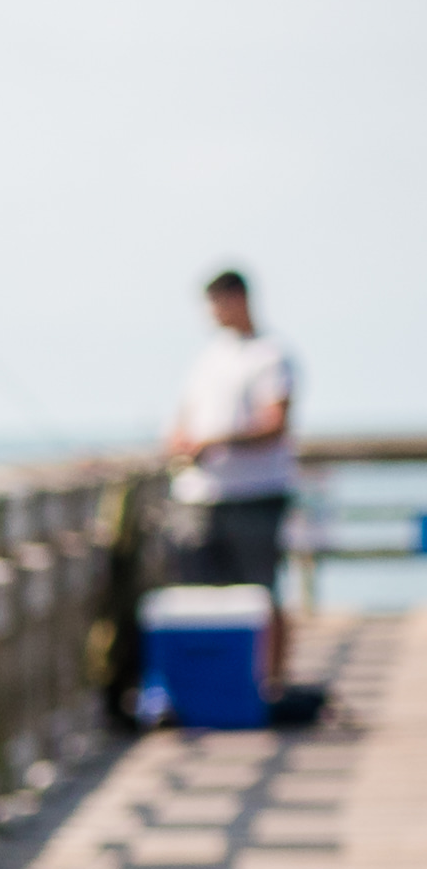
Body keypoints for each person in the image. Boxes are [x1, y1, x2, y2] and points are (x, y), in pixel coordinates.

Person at [171, 267, 303, 692]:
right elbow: (185, 417)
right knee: (204, 598)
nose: (212, 313)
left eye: (217, 302)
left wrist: (216, 440)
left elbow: (276, 423)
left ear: (239, 298)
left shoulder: (272, 353)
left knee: (263, 593)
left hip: (257, 494)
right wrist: (181, 442)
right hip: (202, 496)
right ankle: (215, 686)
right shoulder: (209, 356)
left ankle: (272, 685)